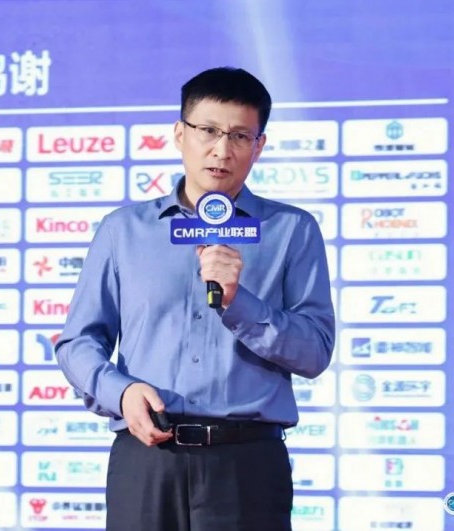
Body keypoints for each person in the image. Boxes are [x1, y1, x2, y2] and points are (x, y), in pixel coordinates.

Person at [55, 66, 335, 531]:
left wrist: (239, 302)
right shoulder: (123, 230)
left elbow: (314, 353)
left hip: (248, 465)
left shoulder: (292, 231)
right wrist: (121, 392)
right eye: (208, 130)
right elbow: (78, 342)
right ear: (179, 133)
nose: (221, 150)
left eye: (240, 136)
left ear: (259, 146)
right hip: (147, 459)